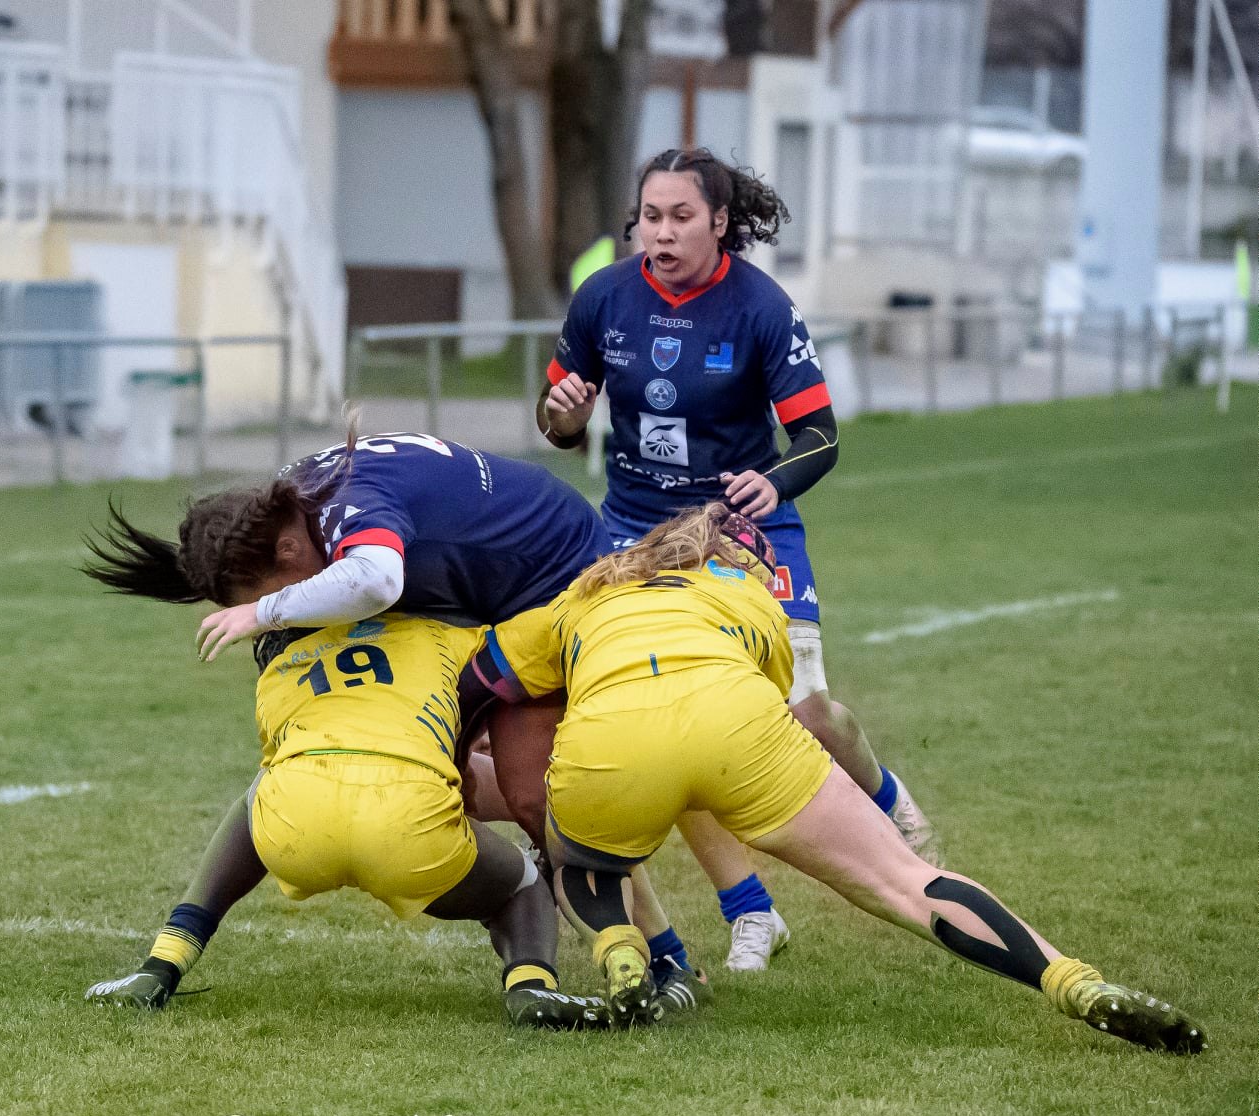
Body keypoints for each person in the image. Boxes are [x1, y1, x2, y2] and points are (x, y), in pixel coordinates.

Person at [471, 502, 1205, 1053]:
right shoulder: (747, 592)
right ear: (730, 556)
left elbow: (485, 675)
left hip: (614, 738)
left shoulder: (580, 596)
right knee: (904, 881)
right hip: (741, 731)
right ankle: (1072, 980)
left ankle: (623, 959)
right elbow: (767, 692)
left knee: (582, 861)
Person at [81, 431, 706, 1000]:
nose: (294, 613)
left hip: (553, 583)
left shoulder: (347, 511)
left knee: (536, 797)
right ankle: (646, 951)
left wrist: (262, 615)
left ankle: (664, 960)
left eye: (279, 595)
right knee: (502, 783)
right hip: (487, 588)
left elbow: (377, 580)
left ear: (290, 547)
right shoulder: (290, 511)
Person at [540, 146, 940, 971]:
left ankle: (890, 798)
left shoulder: (761, 307)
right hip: (632, 538)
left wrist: (772, 480)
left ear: (718, 223)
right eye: (650, 216)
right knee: (668, 715)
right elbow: (558, 424)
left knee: (808, 715)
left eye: (680, 216)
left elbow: (819, 436)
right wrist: (562, 412)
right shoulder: (603, 299)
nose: (661, 232)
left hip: (743, 533)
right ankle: (751, 912)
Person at [87, 609, 617, 1029]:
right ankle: (531, 988)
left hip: (296, 829)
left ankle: (161, 965)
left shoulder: (279, 671)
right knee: (521, 884)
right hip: (408, 829)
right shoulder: (448, 636)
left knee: (260, 794)